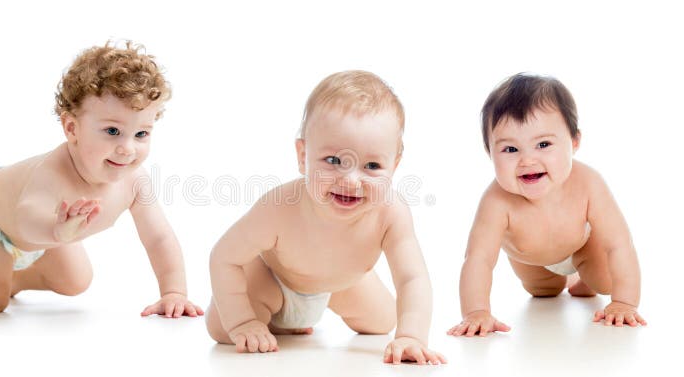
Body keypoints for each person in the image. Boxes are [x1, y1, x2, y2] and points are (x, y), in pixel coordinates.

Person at [0, 42, 203, 318]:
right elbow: (26, 215)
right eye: (112, 131)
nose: (127, 148)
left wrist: (173, 292)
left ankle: (7, 277)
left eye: (141, 134)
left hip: (54, 232)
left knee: (75, 281)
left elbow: (159, 237)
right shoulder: (54, 172)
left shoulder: (135, 182)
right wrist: (57, 230)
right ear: (71, 128)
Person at [207, 71, 445, 365]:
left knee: (384, 322)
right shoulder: (280, 207)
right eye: (333, 161)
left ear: (394, 166)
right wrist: (241, 322)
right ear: (303, 155)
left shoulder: (391, 214)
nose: (351, 180)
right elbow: (223, 257)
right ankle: (267, 321)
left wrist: (411, 336)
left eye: (372, 165)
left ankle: (292, 319)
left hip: (343, 286)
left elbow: (412, 278)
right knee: (221, 328)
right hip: (274, 281)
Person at [448, 73, 645, 337]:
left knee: (605, 281)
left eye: (543, 144)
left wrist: (625, 302)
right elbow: (478, 260)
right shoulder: (496, 201)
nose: (527, 160)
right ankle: (563, 281)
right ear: (489, 152)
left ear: (574, 142)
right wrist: (476, 312)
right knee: (543, 292)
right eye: (510, 150)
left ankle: (584, 279)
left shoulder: (588, 184)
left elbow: (618, 243)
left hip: (582, 246)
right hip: (529, 259)